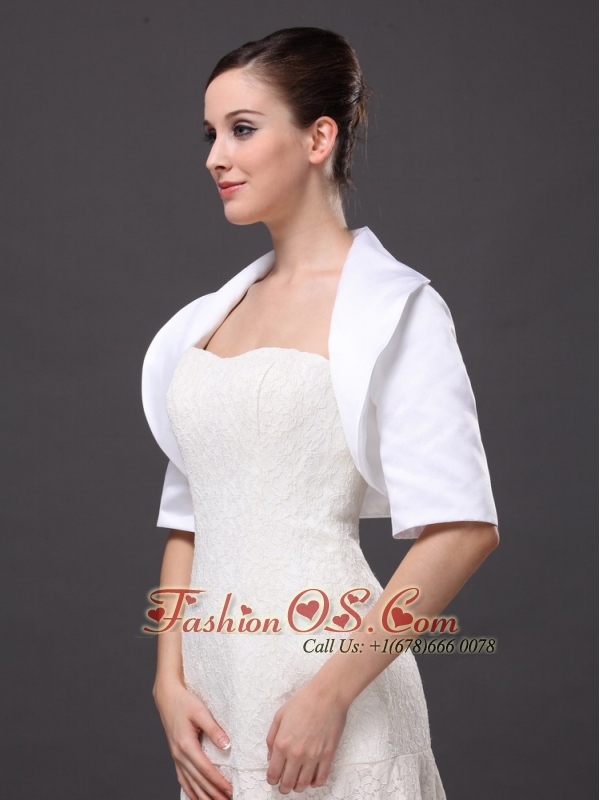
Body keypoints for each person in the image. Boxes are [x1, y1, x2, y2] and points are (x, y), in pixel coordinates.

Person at [141, 26, 500, 800]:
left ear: (318, 138)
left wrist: (330, 693)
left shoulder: (395, 307)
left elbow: (464, 527)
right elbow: (188, 519)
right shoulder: (203, 322)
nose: (215, 157)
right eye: (210, 134)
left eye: (242, 129)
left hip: (334, 702)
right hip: (216, 707)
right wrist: (168, 681)